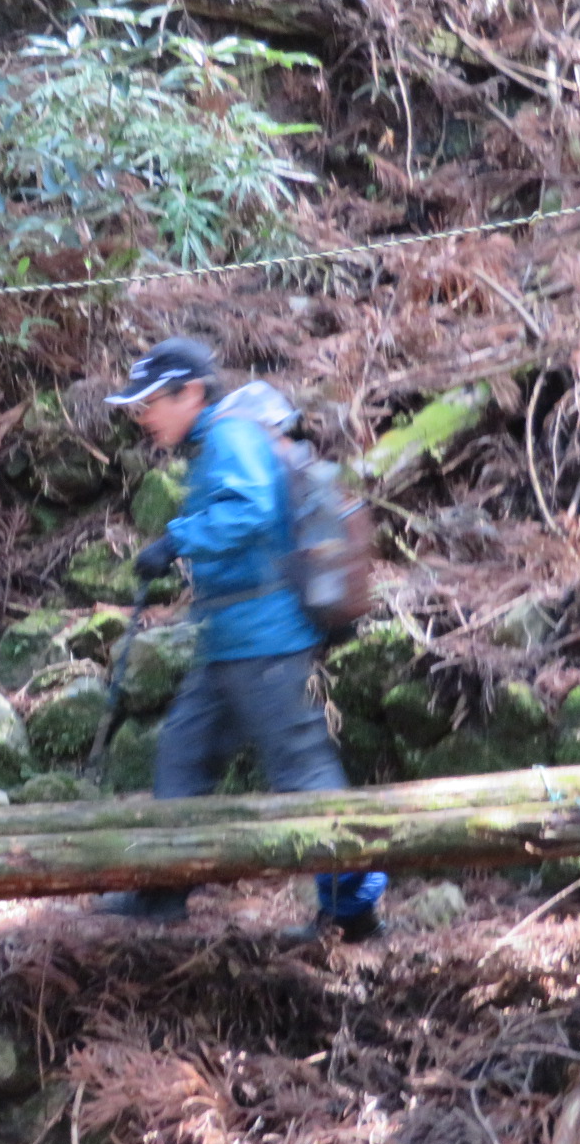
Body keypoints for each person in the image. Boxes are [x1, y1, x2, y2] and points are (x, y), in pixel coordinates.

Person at [97, 337, 386, 942]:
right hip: (229, 643)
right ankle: (164, 889)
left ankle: (354, 912)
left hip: (267, 644)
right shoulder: (215, 443)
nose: (143, 416)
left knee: (303, 774)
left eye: (151, 402)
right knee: (183, 755)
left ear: (190, 393)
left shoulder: (230, 437)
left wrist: (177, 539)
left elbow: (251, 510)